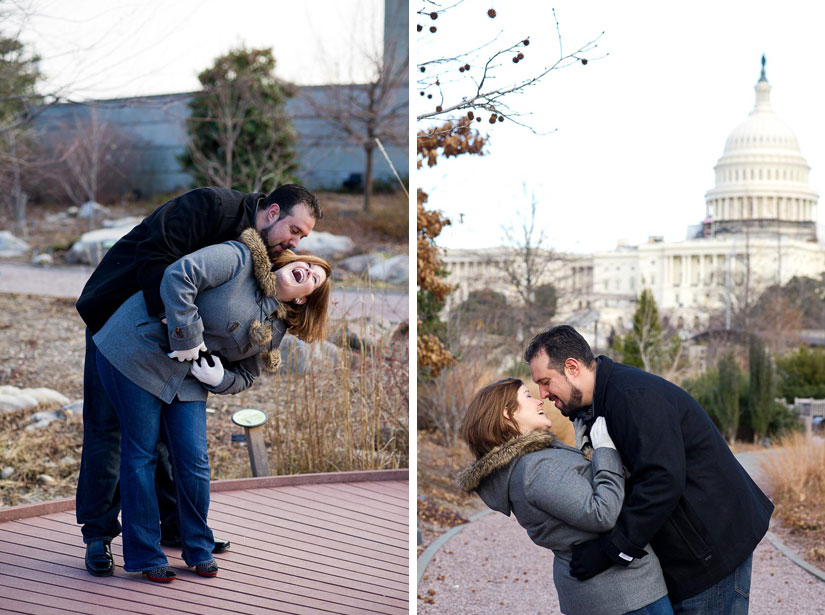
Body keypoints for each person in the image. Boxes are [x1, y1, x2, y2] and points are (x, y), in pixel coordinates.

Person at [75, 184, 322, 576]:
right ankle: (99, 535)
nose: (295, 243)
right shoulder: (212, 208)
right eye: (295, 231)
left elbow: (243, 354)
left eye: (303, 239)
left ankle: (180, 530)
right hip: (119, 317)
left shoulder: (260, 261)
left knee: (177, 447)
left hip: (177, 351)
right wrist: (182, 329)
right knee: (109, 432)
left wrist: (215, 369)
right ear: (272, 212)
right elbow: (157, 256)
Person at [524, 325, 774, 614]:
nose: (541, 394)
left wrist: (611, 550)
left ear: (572, 367)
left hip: (710, 553)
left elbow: (662, 480)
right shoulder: (598, 406)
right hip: (687, 552)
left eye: (545, 382)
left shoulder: (632, 397)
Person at [458, 378, 673, 615]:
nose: (539, 400)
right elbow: (602, 513)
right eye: (527, 396)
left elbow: (578, 495)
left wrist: (587, 455)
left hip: (613, 593)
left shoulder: (533, 461)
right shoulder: (534, 469)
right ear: (507, 413)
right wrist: (605, 451)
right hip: (624, 595)